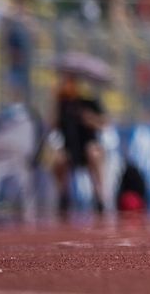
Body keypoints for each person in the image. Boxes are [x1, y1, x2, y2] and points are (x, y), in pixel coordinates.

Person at [50, 72, 106, 215]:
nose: (66, 86)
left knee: (93, 153)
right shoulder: (62, 105)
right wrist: (54, 102)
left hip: (87, 145)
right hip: (70, 147)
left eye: (69, 83)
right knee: (59, 159)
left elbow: (104, 123)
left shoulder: (89, 102)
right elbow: (52, 125)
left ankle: (99, 198)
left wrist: (90, 119)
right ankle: (63, 196)